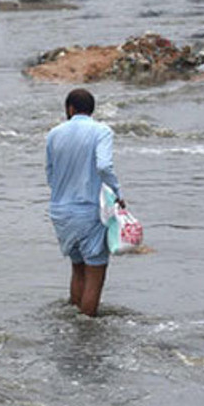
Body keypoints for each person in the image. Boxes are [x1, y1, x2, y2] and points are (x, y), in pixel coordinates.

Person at [45, 89, 123, 317]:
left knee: (77, 268)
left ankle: (74, 320)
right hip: (89, 210)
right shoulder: (102, 131)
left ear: (70, 109)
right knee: (96, 273)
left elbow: (50, 173)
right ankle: (86, 331)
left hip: (60, 211)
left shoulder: (54, 134)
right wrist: (117, 192)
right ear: (92, 109)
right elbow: (104, 166)